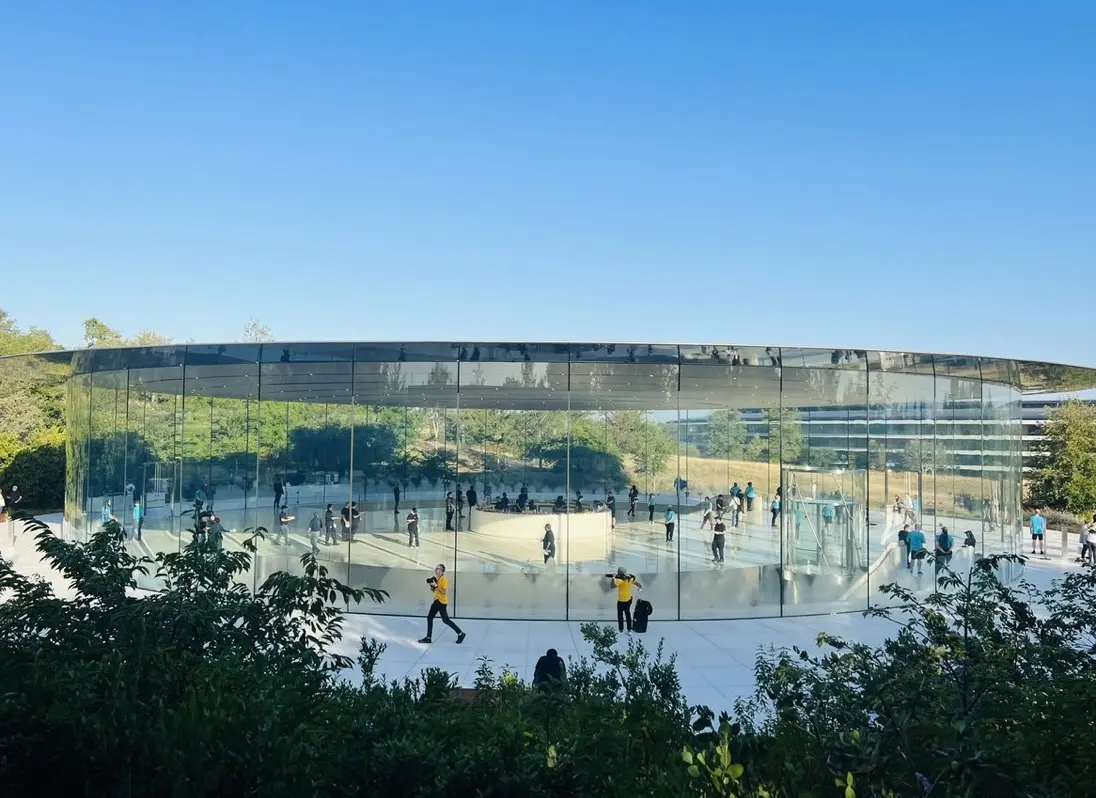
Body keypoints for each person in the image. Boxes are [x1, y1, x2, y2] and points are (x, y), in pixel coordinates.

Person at [419, 564, 466, 645]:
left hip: (441, 602)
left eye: (438, 569)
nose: (436, 570)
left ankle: (460, 633)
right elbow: (435, 591)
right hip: (437, 601)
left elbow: (444, 592)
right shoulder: (437, 578)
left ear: (442, 571)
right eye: (436, 568)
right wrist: (432, 587)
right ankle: (428, 638)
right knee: (430, 617)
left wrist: (436, 585)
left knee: (445, 620)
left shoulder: (444, 579)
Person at [607, 567, 641, 633]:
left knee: (620, 616)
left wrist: (613, 577)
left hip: (621, 601)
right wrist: (640, 587)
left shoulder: (620, 581)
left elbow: (612, 586)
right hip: (629, 599)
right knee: (627, 614)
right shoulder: (630, 578)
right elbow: (637, 583)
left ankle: (621, 630)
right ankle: (629, 629)